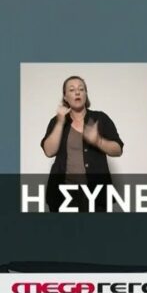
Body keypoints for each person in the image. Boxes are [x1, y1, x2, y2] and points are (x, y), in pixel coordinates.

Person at [41, 76, 124, 212]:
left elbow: (118, 150)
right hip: (63, 194)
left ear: (86, 94)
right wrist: (60, 122)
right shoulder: (56, 121)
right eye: (72, 90)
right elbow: (49, 151)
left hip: (96, 194)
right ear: (65, 97)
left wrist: (98, 141)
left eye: (81, 89)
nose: (77, 92)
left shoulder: (100, 118)